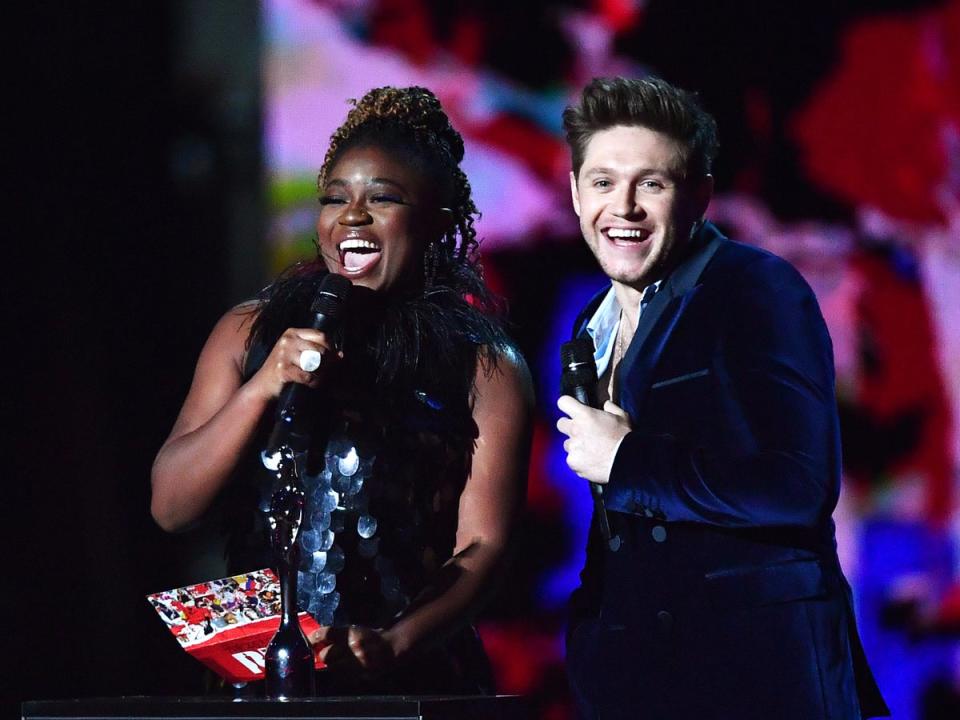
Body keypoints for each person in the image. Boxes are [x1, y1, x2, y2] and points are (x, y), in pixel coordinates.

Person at [151, 86, 533, 694]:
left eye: (382, 198)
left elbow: (485, 545)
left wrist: (395, 642)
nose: (352, 216)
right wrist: (260, 389)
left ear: (437, 220)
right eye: (335, 198)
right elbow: (171, 508)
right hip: (268, 682)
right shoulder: (249, 335)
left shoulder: (484, 364)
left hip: (414, 680)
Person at [555, 76, 888, 719]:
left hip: (759, 682)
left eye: (651, 183)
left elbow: (798, 486)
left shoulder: (756, 289)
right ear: (574, 193)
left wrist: (631, 461)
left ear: (700, 195)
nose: (622, 207)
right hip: (639, 685)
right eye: (602, 182)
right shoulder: (590, 324)